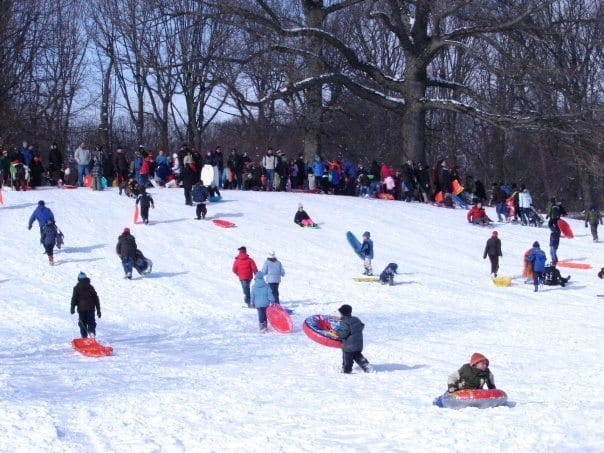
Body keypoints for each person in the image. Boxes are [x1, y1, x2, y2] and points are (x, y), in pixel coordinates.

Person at [337, 304, 373, 374]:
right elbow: (362, 326)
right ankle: (366, 365)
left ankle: (346, 370)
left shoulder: (344, 322)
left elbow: (344, 334)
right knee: (357, 355)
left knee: (347, 358)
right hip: (358, 343)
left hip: (348, 346)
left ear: (342, 313)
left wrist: (338, 333)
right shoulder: (356, 319)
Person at [70, 272, 101, 339]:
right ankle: (91, 333)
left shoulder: (76, 288)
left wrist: (72, 308)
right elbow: (96, 298)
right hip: (91, 308)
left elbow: (74, 298)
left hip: (82, 309)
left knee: (82, 323)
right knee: (91, 322)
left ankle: (84, 337)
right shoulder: (91, 287)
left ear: (78, 279)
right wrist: (98, 310)